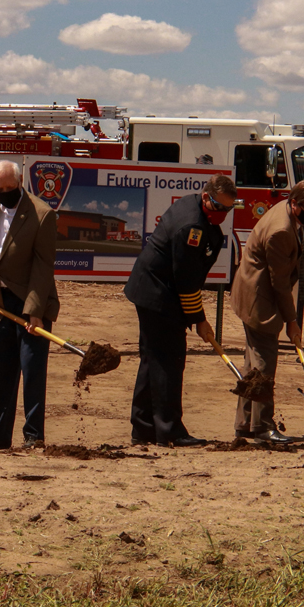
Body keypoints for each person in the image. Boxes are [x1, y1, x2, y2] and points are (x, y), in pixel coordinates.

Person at [123, 174, 236, 446]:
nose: (223, 214)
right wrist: (199, 320)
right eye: (219, 208)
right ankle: (169, 431)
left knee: (152, 360)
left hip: (156, 290)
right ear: (207, 197)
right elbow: (185, 282)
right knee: (168, 362)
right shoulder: (191, 227)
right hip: (157, 294)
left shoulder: (195, 206)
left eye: (229, 210)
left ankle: (144, 428)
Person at [0, 160, 59, 449]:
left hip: (32, 299)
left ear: (20, 183)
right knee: (1, 370)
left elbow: (43, 268)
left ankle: (33, 436)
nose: (3, 192)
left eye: (9, 187)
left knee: (31, 371)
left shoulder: (42, 215)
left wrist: (35, 312)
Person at [230, 178, 304, 443]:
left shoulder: (287, 212)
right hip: (259, 299)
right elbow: (280, 284)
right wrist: (291, 321)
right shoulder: (281, 231)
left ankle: (244, 424)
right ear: (295, 203)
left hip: (256, 291)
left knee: (253, 363)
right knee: (263, 363)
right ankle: (261, 427)